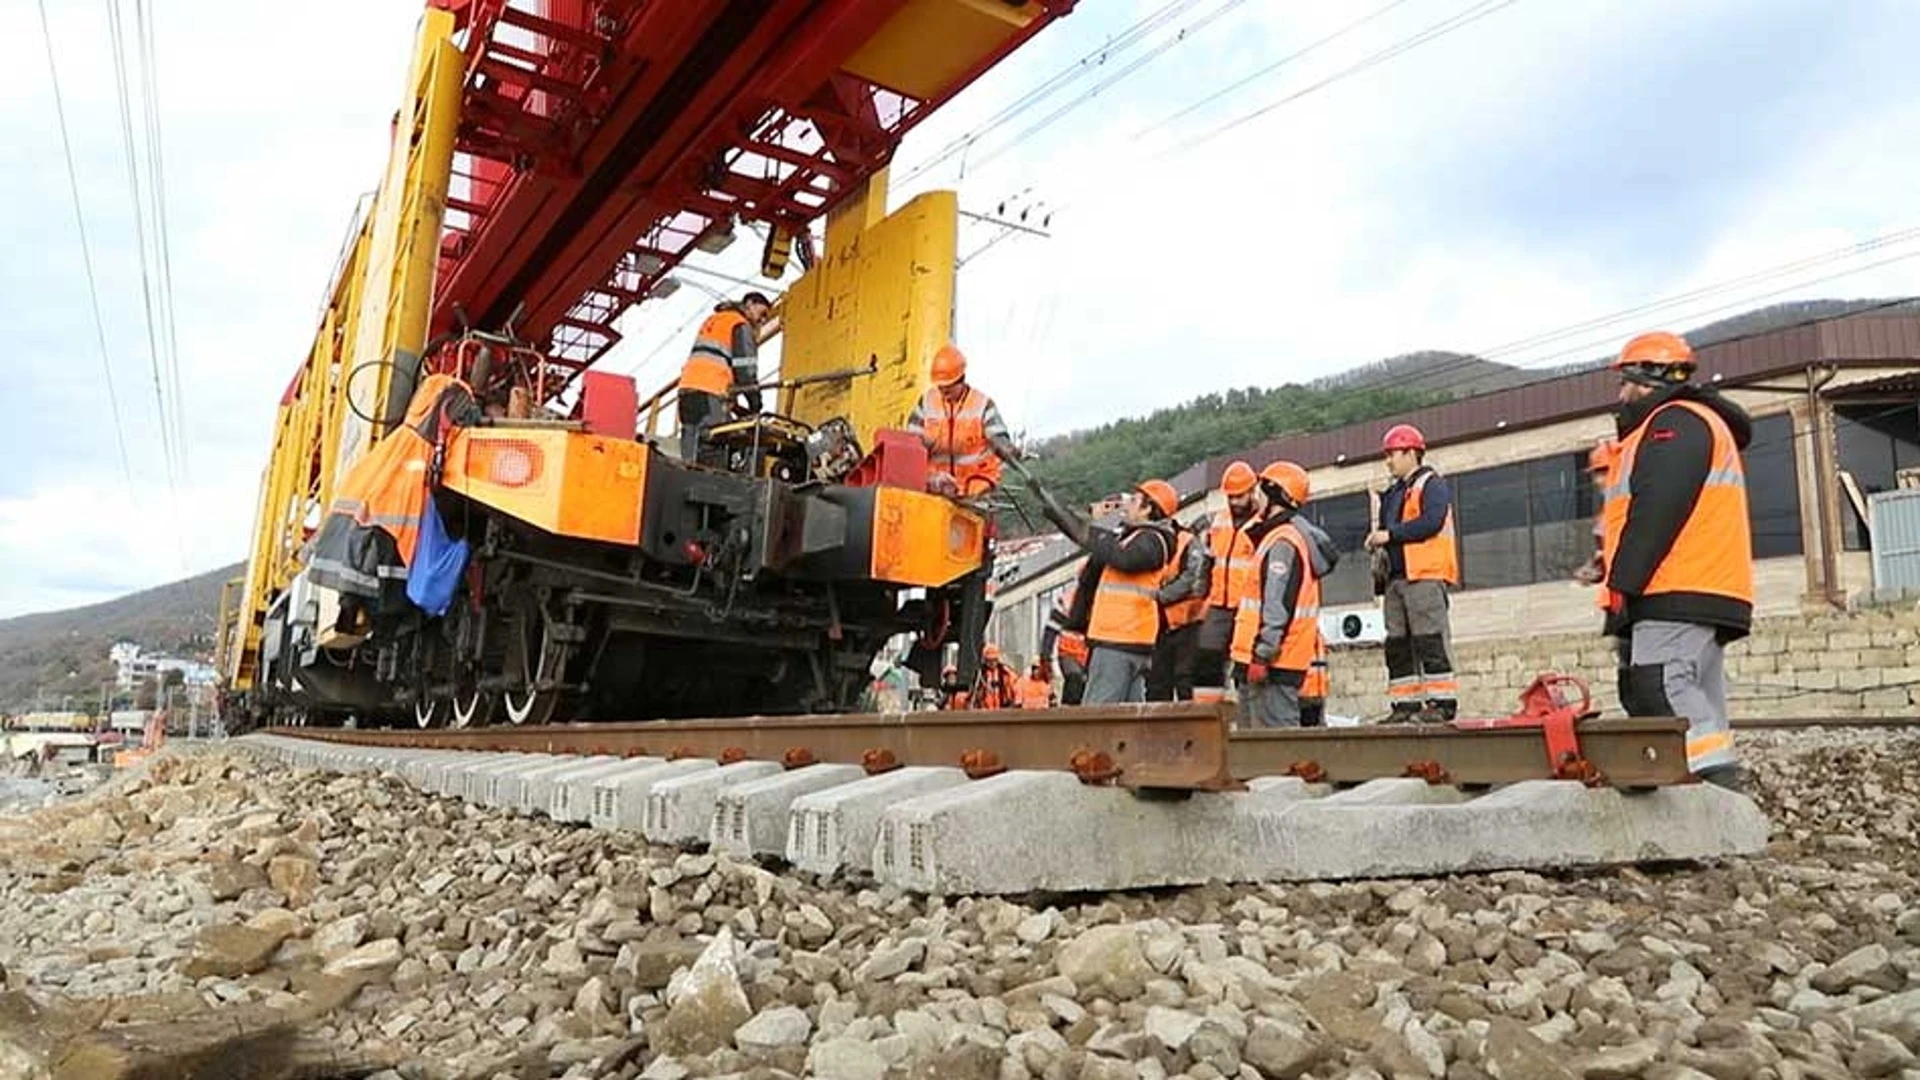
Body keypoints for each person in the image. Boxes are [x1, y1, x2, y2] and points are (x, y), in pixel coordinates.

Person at [1601, 330, 1753, 791]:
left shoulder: (1674, 425)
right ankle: (1707, 806)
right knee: (1690, 694)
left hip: (1676, 586)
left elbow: (1656, 511)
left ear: (1647, 378)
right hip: (1701, 586)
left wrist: (1623, 586)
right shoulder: (1692, 423)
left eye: (1625, 383)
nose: (1621, 394)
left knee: (1659, 687)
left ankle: (1720, 792)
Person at [308, 364, 486, 631]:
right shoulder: (456, 392)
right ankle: (376, 615)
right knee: (389, 554)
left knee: (364, 547)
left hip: (379, 476)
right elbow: (472, 419)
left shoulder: (427, 394)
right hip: (404, 486)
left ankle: (351, 606)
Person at [1042, 480, 1181, 704]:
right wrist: (1062, 517)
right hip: (1125, 640)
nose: (1128, 505)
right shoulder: (1138, 537)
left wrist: (1087, 532)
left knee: (1097, 720)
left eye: (1135, 500)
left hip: (1119, 640)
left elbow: (1120, 556)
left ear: (1148, 509)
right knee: (1123, 724)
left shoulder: (1154, 541)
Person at [1229, 462, 1339, 728]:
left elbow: (1277, 606)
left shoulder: (1282, 543)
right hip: (1269, 664)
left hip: (1272, 668)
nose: (1256, 497)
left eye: (1260, 490)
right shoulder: (1279, 537)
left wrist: (1262, 655)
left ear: (1275, 494)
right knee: (1260, 751)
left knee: (1275, 751)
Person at [1364, 423, 1459, 723]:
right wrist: (1378, 539)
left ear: (1411, 452)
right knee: (1398, 645)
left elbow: (1430, 522)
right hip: (1396, 579)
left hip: (1424, 575)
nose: (1388, 460)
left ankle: (1442, 703)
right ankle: (1405, 706)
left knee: (1430, 639)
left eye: (1392, 454)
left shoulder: (1432, 484)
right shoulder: (1395, 492)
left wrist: (1388, 535)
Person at [1190, 461, 1264, 705]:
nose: (1234, 502)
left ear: (1253, 492)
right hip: (1219, 603)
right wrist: (1201, 590)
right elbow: (1209, 559)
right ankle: (1207, 713)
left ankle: (1247, 715)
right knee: (1206, 657)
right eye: (1230, 497)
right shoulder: (1220, 521)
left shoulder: (1263, 524)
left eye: (1239, 496)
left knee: (1244, 663)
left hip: (1248, 608)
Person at [905, 343, 1019, 497]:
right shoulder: (927, 402)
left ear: (961, 379)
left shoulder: (982, 404)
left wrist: (1007, 450)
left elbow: (998, 437)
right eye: (940, 386)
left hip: (976, 489)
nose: (943, 391)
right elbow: (910, 444)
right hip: (938, 488)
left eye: (948, 386)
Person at [677, 291, 773, 461]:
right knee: (714, 448)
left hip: (687, 391)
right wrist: (755, 404)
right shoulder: (740, 324)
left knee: (690, 451)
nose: (763, 320)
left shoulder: (715, 320)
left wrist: (735, 406)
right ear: (749, 304)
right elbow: (746, 371)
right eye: (762, 313)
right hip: (711, 393)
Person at [1147, 511, 1211, 701]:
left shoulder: (1187, 542)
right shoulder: (1153, 544)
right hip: (1161, 626)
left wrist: (1160, 596)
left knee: (1186, 679)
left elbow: (1193, 579)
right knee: (1157, 684)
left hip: (1189, 623)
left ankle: (1192, 728)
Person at [1574, 440, 1619, 586]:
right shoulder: (1605, 515)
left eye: (1603, 472)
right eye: (1596, 474)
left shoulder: (1638, 506)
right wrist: (1595, 569)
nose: (1597, 480)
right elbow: (1606, 556)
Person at [1039, 586, 1090, 705]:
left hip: (1089, 653)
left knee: (1088, 688)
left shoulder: (1101, 598)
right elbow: (1051, 628)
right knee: (1074, 681)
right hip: (1069, 652)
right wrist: (1046, 655)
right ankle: (1069, 714)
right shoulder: (1069, 598)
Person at [968, 644, 1022, 709]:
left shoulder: (1006, 673)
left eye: (994, 660)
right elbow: (973, 695)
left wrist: (1016, 704)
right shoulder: (980, 675)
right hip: (985, 713)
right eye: (989, 660)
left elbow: (1017, 688)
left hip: (1005, 711)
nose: (992, 663)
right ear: (985, 660)